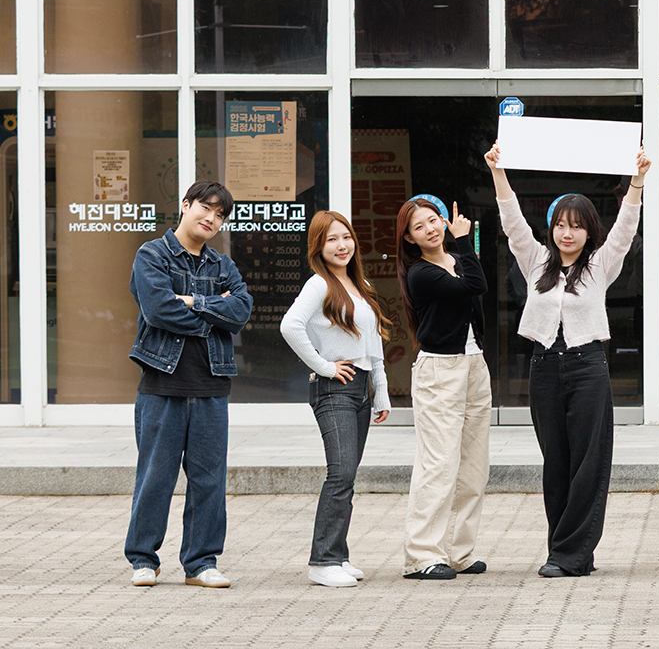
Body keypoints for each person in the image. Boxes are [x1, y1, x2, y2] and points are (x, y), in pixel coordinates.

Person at [487, 142, 649, 578]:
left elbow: (625, 230)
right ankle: (563, 548)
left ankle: (570, 554)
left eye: (576, 227)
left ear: (588, 231)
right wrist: (499, 171)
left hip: (587, 367)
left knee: (587, 462)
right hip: (544, 368)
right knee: (556, 463)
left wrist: (636, 183)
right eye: (560, 225)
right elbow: (512, 221)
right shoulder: (535, 260)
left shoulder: (600, 265)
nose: (567, 234)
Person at [125, 181, 253, 589]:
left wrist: (194, 302)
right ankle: (144, 559)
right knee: (155, 478)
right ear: (185, 206)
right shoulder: (152, 254)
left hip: (211, 386)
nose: (211, 219)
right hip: (162, 384)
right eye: (206, 208)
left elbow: (242, 311)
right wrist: (216, 311)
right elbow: (160, 311)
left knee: (209, 480)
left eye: (219, 215)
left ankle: (201, 563)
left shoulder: (222, 264)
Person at [281, 210, 394, 588]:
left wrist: (381, 390)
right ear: (318, 246)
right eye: (331, 239)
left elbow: (372, 342)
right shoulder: (319, 285)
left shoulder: (356, 282)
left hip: (360, 386)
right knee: (341, 472)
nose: (342, 245)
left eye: (345, 236)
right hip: (335, 388)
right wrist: (324, 366)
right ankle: (322, 560)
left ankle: (338, 555)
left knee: (348, 474)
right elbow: (289, 326)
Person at [396, 194, 491, 581]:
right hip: (440, 371)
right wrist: (465, 240)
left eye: (434, 220)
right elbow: (476, 285)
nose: (431, 229)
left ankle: (458, 551)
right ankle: (421, 556)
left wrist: (464, 247)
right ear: (410, 239)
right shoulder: (421, 273)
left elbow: (471, 285)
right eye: (419, 227)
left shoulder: (454, 261)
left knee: (473, 465)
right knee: (439, 464)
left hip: (473, 364)